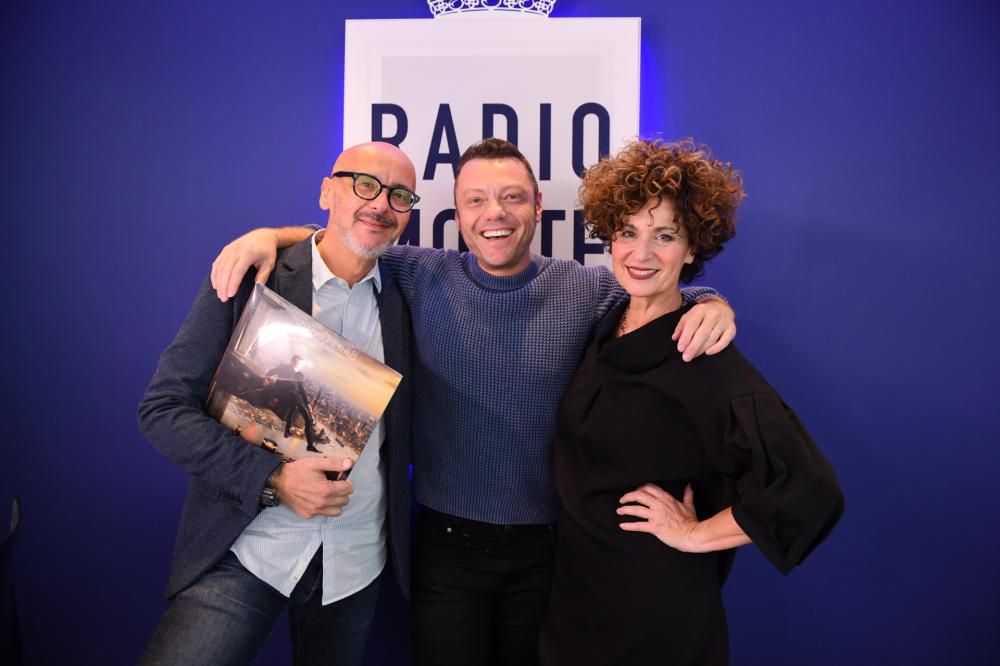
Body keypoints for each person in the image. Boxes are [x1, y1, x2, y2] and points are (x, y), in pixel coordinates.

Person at [209, 138, 737, 666]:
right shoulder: (420, 273)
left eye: (512, 197)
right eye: (476, 200)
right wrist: (268, 237)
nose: (494, 213)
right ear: (457, 214)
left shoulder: (583, 288)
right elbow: (349, 236)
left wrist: (711, 302)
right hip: (446, 549)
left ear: (537, 206)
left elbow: (655, 291)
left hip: (550, 550)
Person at [537, 139, 844, 665]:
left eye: (665, 236)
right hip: (577, 598)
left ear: (693, 248)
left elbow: (809, 488)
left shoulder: (702, 355)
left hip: (655, 613)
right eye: (628, 232)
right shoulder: (606, 325)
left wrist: (695, 534)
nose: (641, 254)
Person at [137, 141, 416, 666]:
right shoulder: (254, 278)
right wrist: (273, 478)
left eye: (399, 195)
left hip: (353, 562)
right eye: (365, 185)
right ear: (326, 191)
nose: (381, 204)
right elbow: (163, 410)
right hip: (249, 544)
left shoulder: (410, 292)